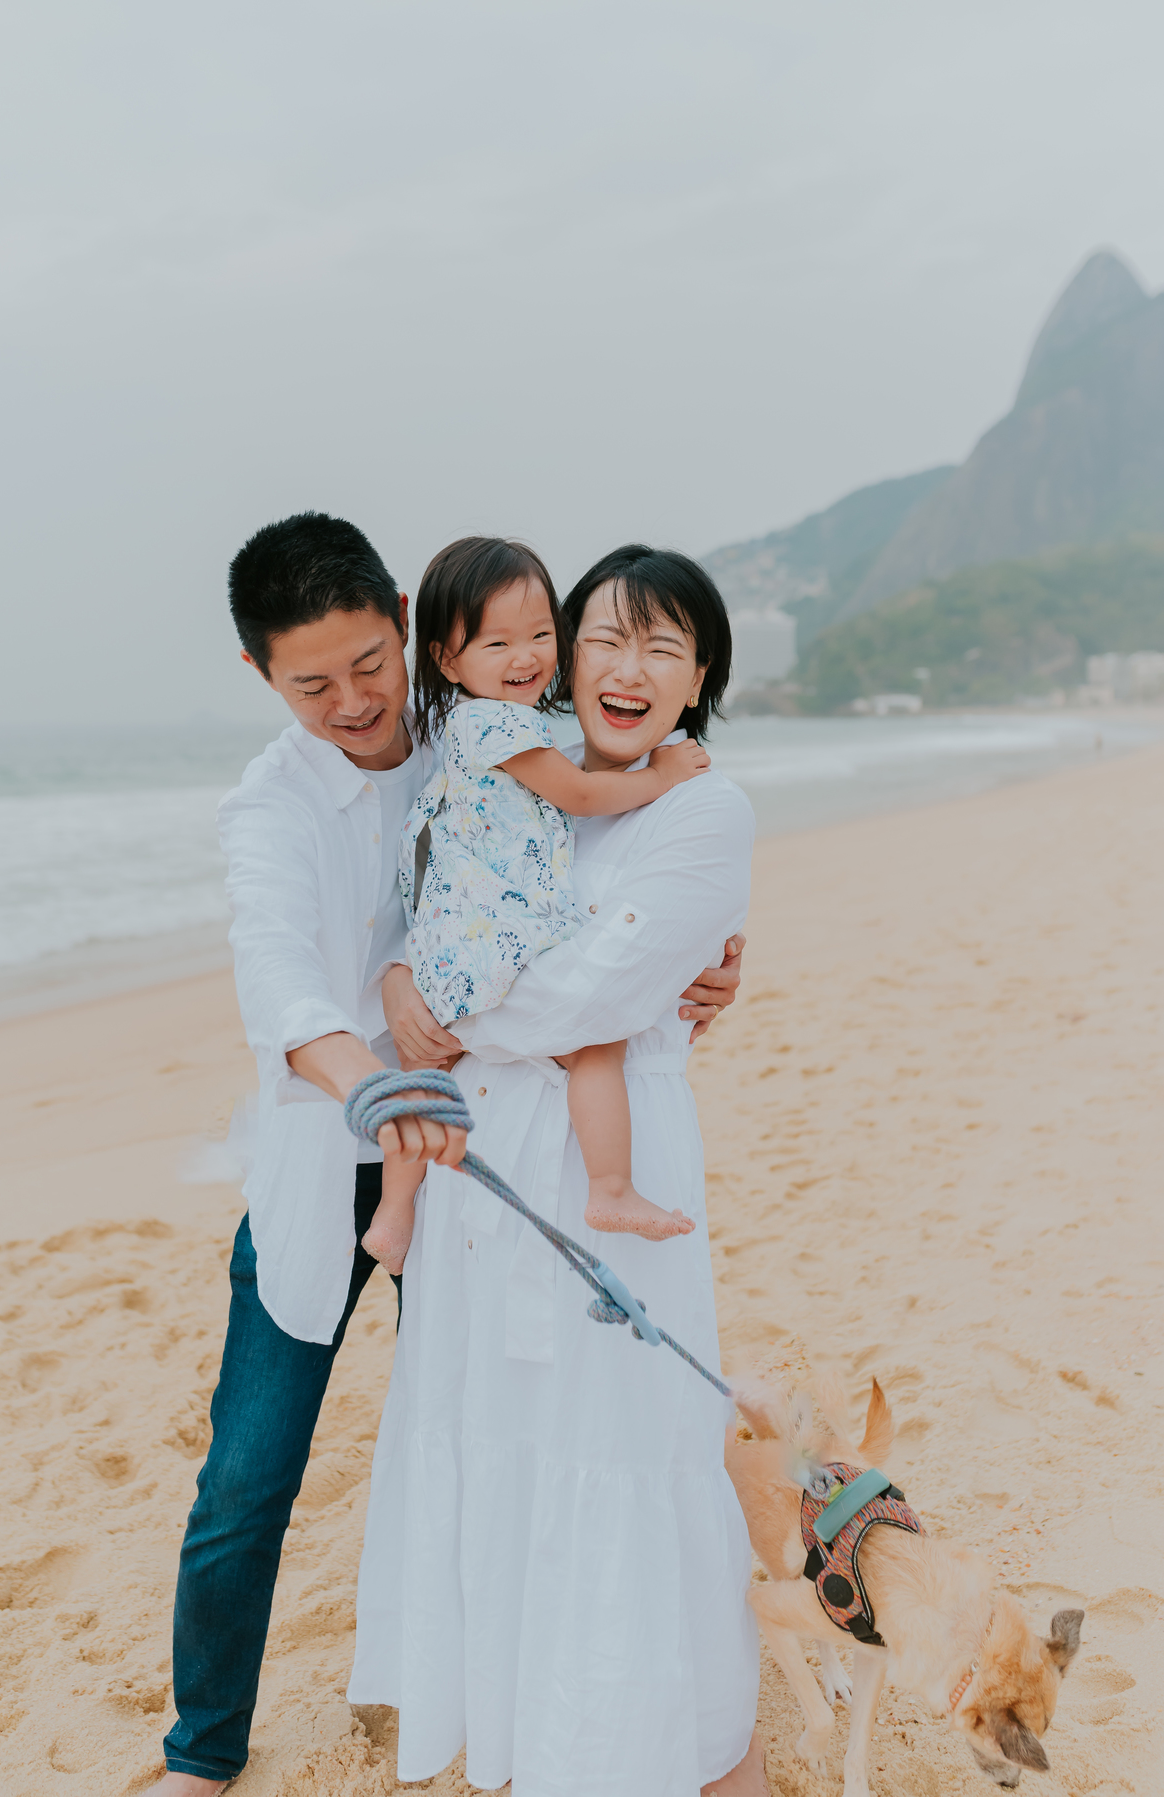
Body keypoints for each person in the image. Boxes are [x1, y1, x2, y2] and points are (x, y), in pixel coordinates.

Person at [149, 516, 744, 1797]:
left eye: (372, 663)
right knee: (250, 1473)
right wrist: (380, 1084)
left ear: (408, 623)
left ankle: (490, 1689)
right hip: (343, 1148)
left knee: (481, 1427)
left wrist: (707, 964)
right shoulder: (270, 805)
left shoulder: (477, 727)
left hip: (475, 1154)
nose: (356, 702)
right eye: (315, 684)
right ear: (263, 675)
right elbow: (283, 986)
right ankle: (202, 1748)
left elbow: (596, 873)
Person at [349, 545, 767, 1796]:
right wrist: (393, 980)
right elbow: (417, 915)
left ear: (699, 682)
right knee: (499, 1436)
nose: (624, 670)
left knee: (626, 1446)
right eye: (604, 641)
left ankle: (670, 1744)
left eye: (663, 649)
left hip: (605, 1157)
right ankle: (534, 1733)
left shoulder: (703, 805)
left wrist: (449, 1004)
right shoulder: (537, 774)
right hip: (485, 1170)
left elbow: (597, 987)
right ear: (563, 658)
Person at [361, 535, 709, 1276]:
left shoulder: (461, 727)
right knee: (599, 1041)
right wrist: (663, 775)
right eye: (497, 642)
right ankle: (611, 1185)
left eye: (541, 635)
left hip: (449, 947)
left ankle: (394, 1212)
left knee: (431, 1073)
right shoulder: (500, 724)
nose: (526, 657)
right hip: (500, 939)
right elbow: (581, 795)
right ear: (448, 660)